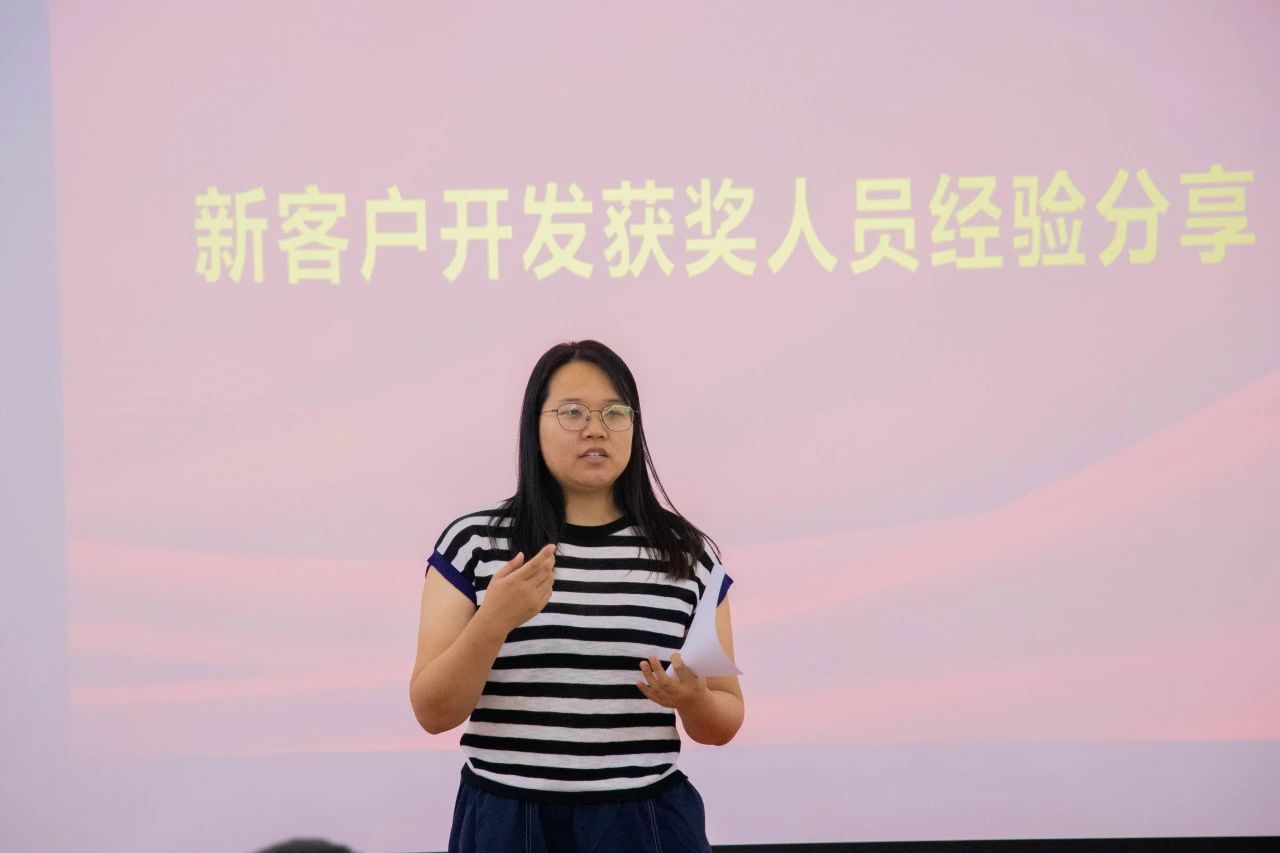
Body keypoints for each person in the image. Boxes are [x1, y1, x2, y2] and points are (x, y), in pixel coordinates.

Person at [409, 340, 744, 853]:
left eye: (615, 413)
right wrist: (494, 620)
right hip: (508, 818)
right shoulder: (475, 543)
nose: (596, 429)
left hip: (644, 818)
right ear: (533, 426)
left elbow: (724, 721)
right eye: (572, 412)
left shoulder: (686, 553)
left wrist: (693, 699)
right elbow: (433, 713)